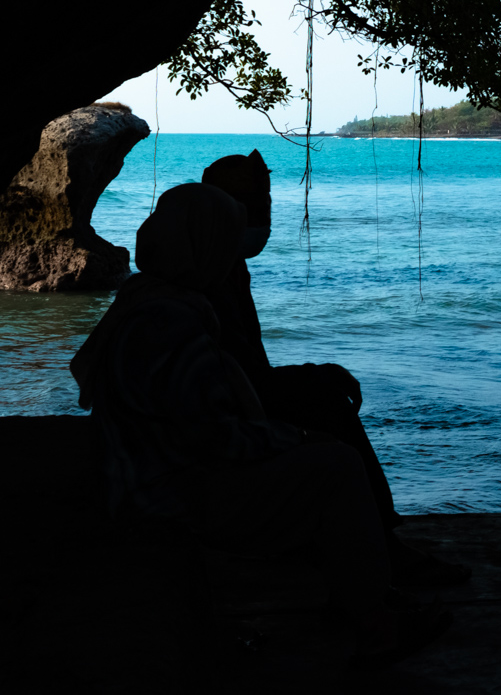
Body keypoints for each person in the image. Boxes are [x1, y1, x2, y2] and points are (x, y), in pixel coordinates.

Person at [70, 183, 449, 666]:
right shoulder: (171, 324)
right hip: (169, 493)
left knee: (322, 455)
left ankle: (363, 599)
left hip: (150, 475)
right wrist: (298, 438)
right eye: (225, 242)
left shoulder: (146, 302)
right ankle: (374, 623)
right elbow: (214, 437)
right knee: (335, 465)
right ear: (204, 245)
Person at [186, 151, 467, 587]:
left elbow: (247, 371)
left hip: (230, 406)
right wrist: (314, 378)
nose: (262, 214)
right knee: (327, 406)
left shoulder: (223, 266)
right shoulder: (205, 280)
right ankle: (380, 549)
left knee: (323, 395)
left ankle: (374, 538)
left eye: (266, 202)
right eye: (248, 204)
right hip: (216, 426)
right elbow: (242, 381)